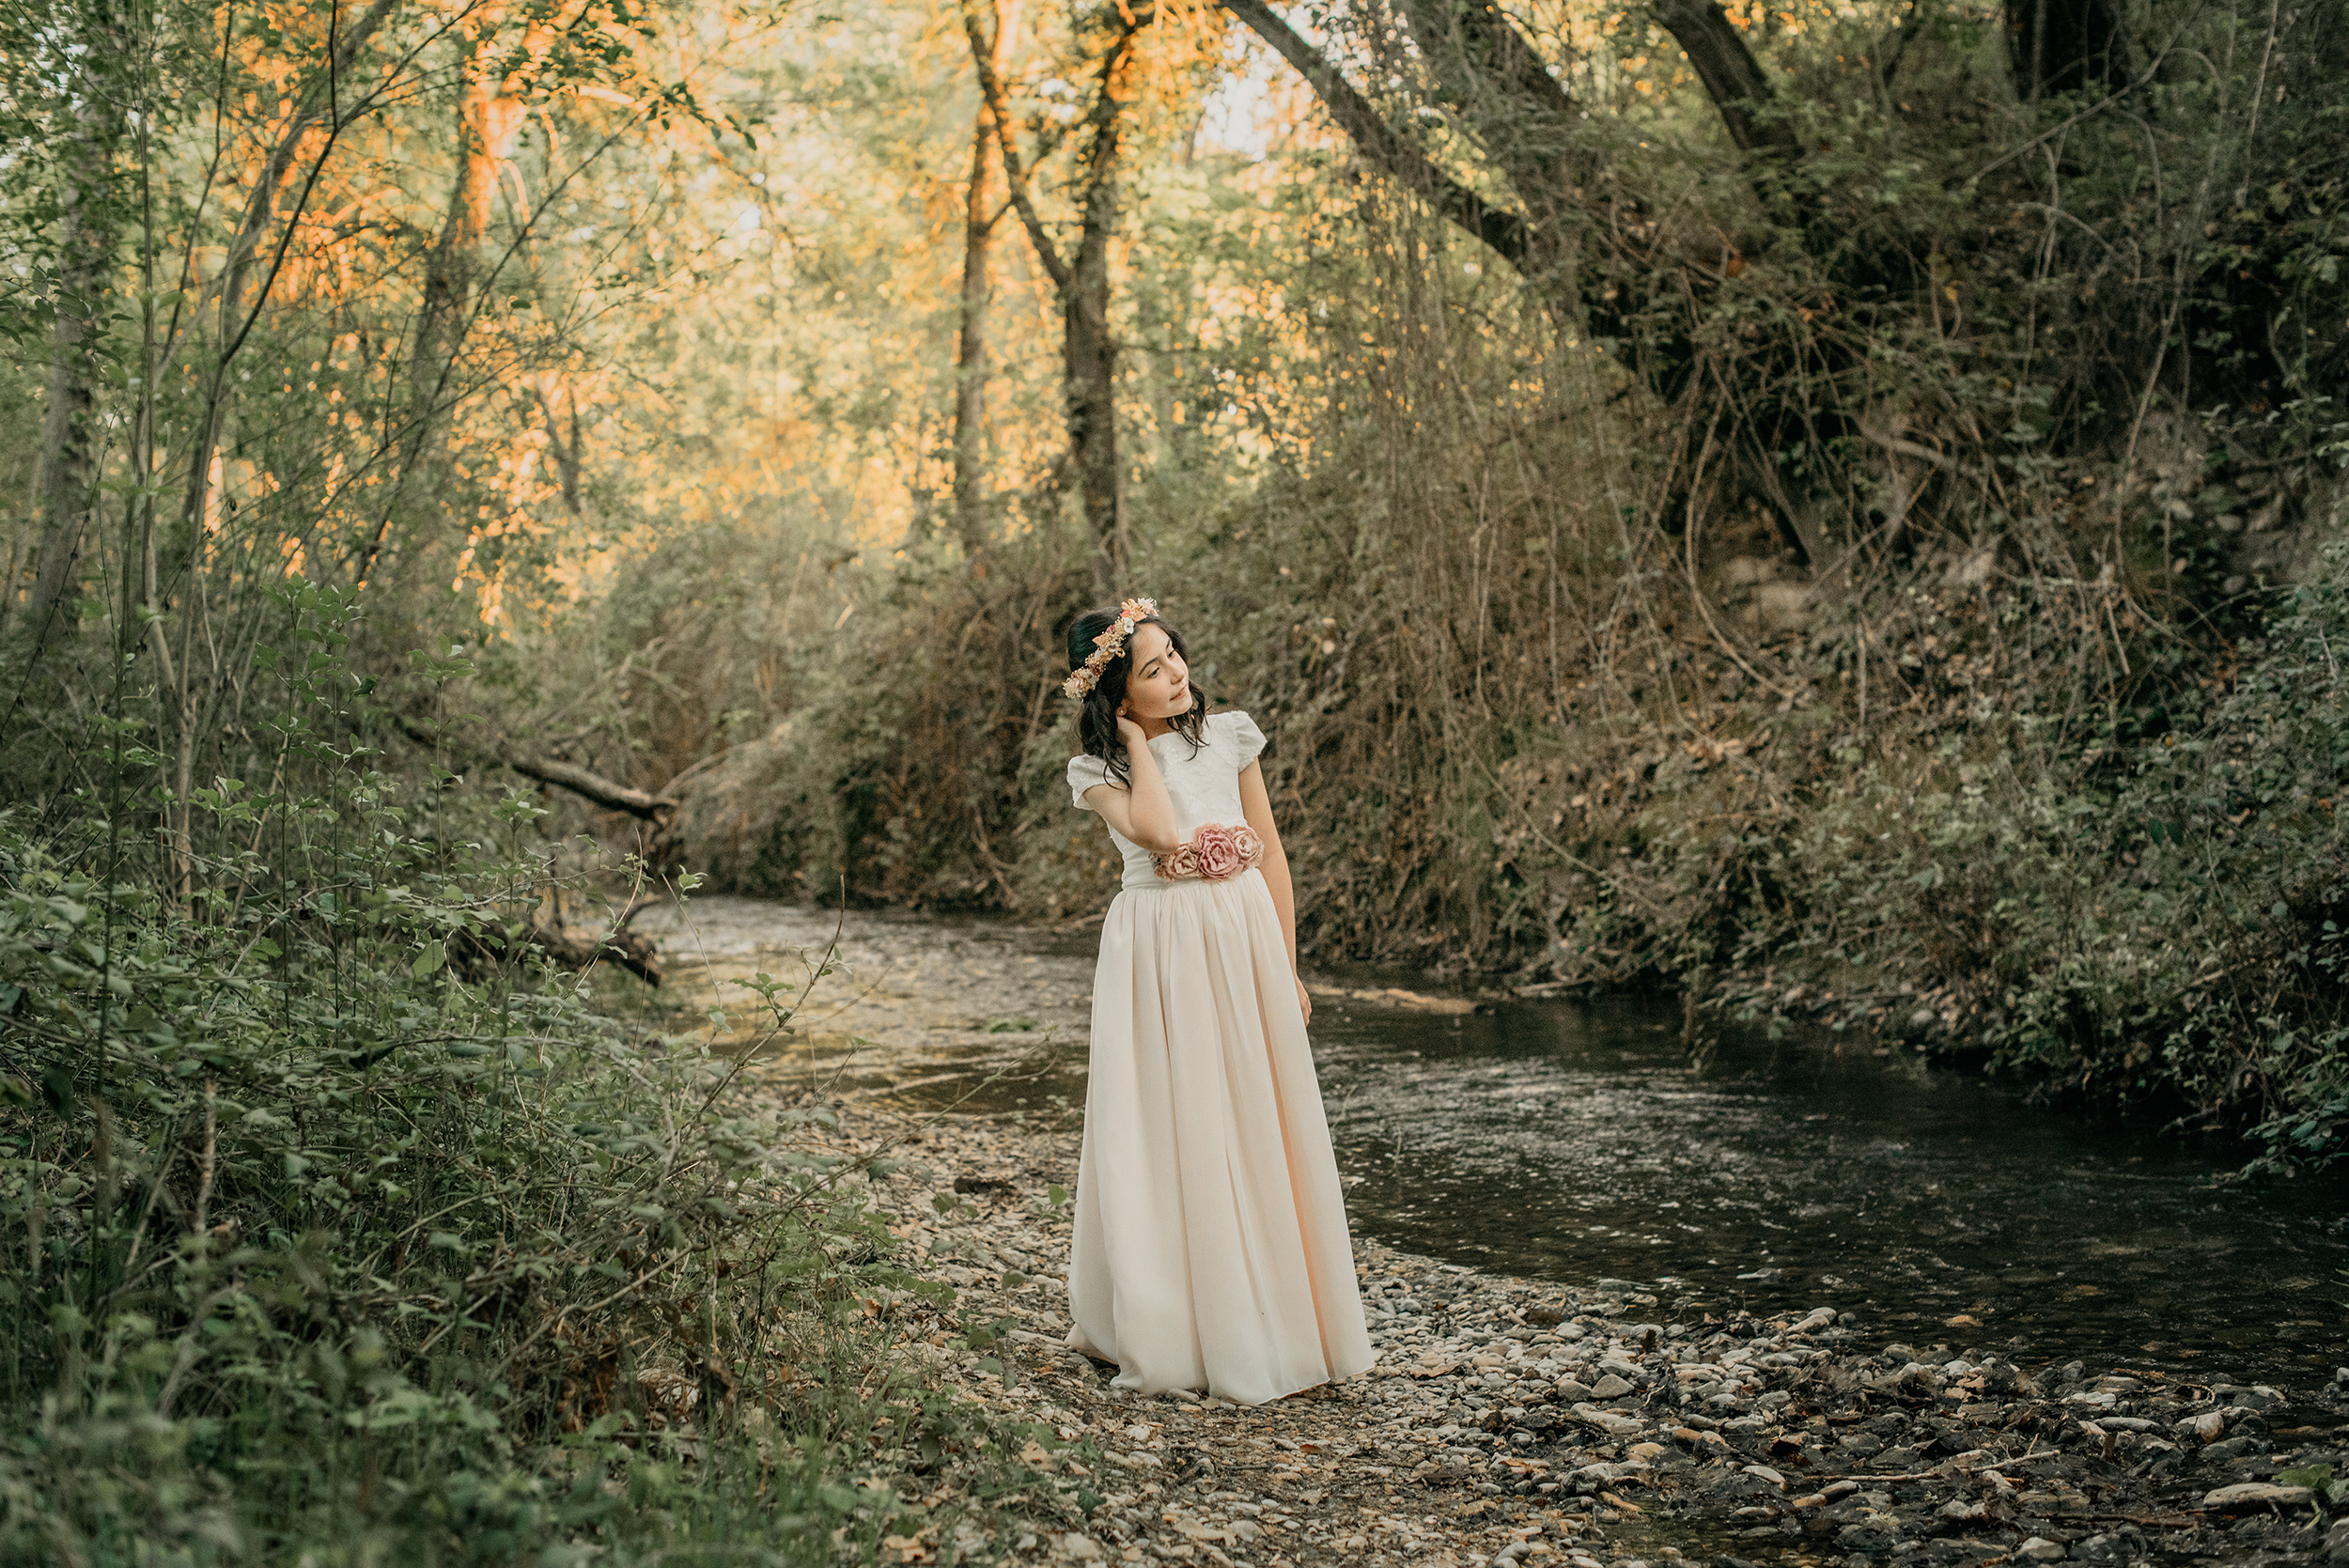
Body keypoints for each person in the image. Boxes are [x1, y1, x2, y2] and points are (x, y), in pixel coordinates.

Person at [1059, 597, 1374, 1405]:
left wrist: (1288, 967)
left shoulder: (1230, 733)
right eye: (1152, 670)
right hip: (1158, 950)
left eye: (1175, 657)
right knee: (1177, 1119)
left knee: (1260, 1114)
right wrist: (1136, 743)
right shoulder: (1097, 770)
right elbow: (1162, 838)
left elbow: (1270, 857)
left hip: (1242, 939)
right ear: (1117, 696)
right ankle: (1185, 1320)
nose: (1176, 675)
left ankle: (1281, 1312)